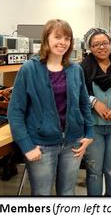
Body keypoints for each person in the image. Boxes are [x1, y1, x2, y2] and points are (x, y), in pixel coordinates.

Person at [8, 19, 93, 196]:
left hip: (73, 143)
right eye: (58, 37)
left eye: (67, 38)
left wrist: (89, 133)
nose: (63, 42)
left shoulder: (75, 69)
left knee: (68, 192)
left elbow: (84, 103)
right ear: (46, 39)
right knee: (42, 194)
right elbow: (15, 111)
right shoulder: (29, 69)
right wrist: (26, 146)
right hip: (41, 145)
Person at [80, 28, 111, 196]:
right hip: (93, 128)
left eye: (105, 43)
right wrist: (94, 102)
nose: (101, 47)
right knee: (94, 172)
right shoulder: (82, 68)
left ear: (110, 44)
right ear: (90, 48)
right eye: (96, 45)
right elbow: (78, 93)